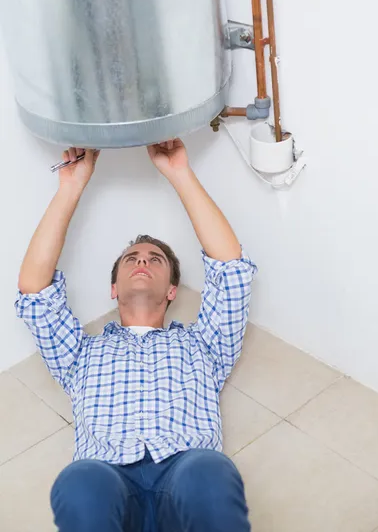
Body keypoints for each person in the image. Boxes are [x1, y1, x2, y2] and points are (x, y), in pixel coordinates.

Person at [16, 140, 257, 532]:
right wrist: (71, 187)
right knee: (79, 481)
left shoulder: (204, 345)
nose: (142, 260)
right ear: (114, 288)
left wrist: (180, 172)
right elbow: (34, 291)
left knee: (211, 471)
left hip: (187, 469)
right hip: (107, 477)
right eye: (132, 259)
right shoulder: (80, 354)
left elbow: (231, 270)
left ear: (171, 291)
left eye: (154, 259)